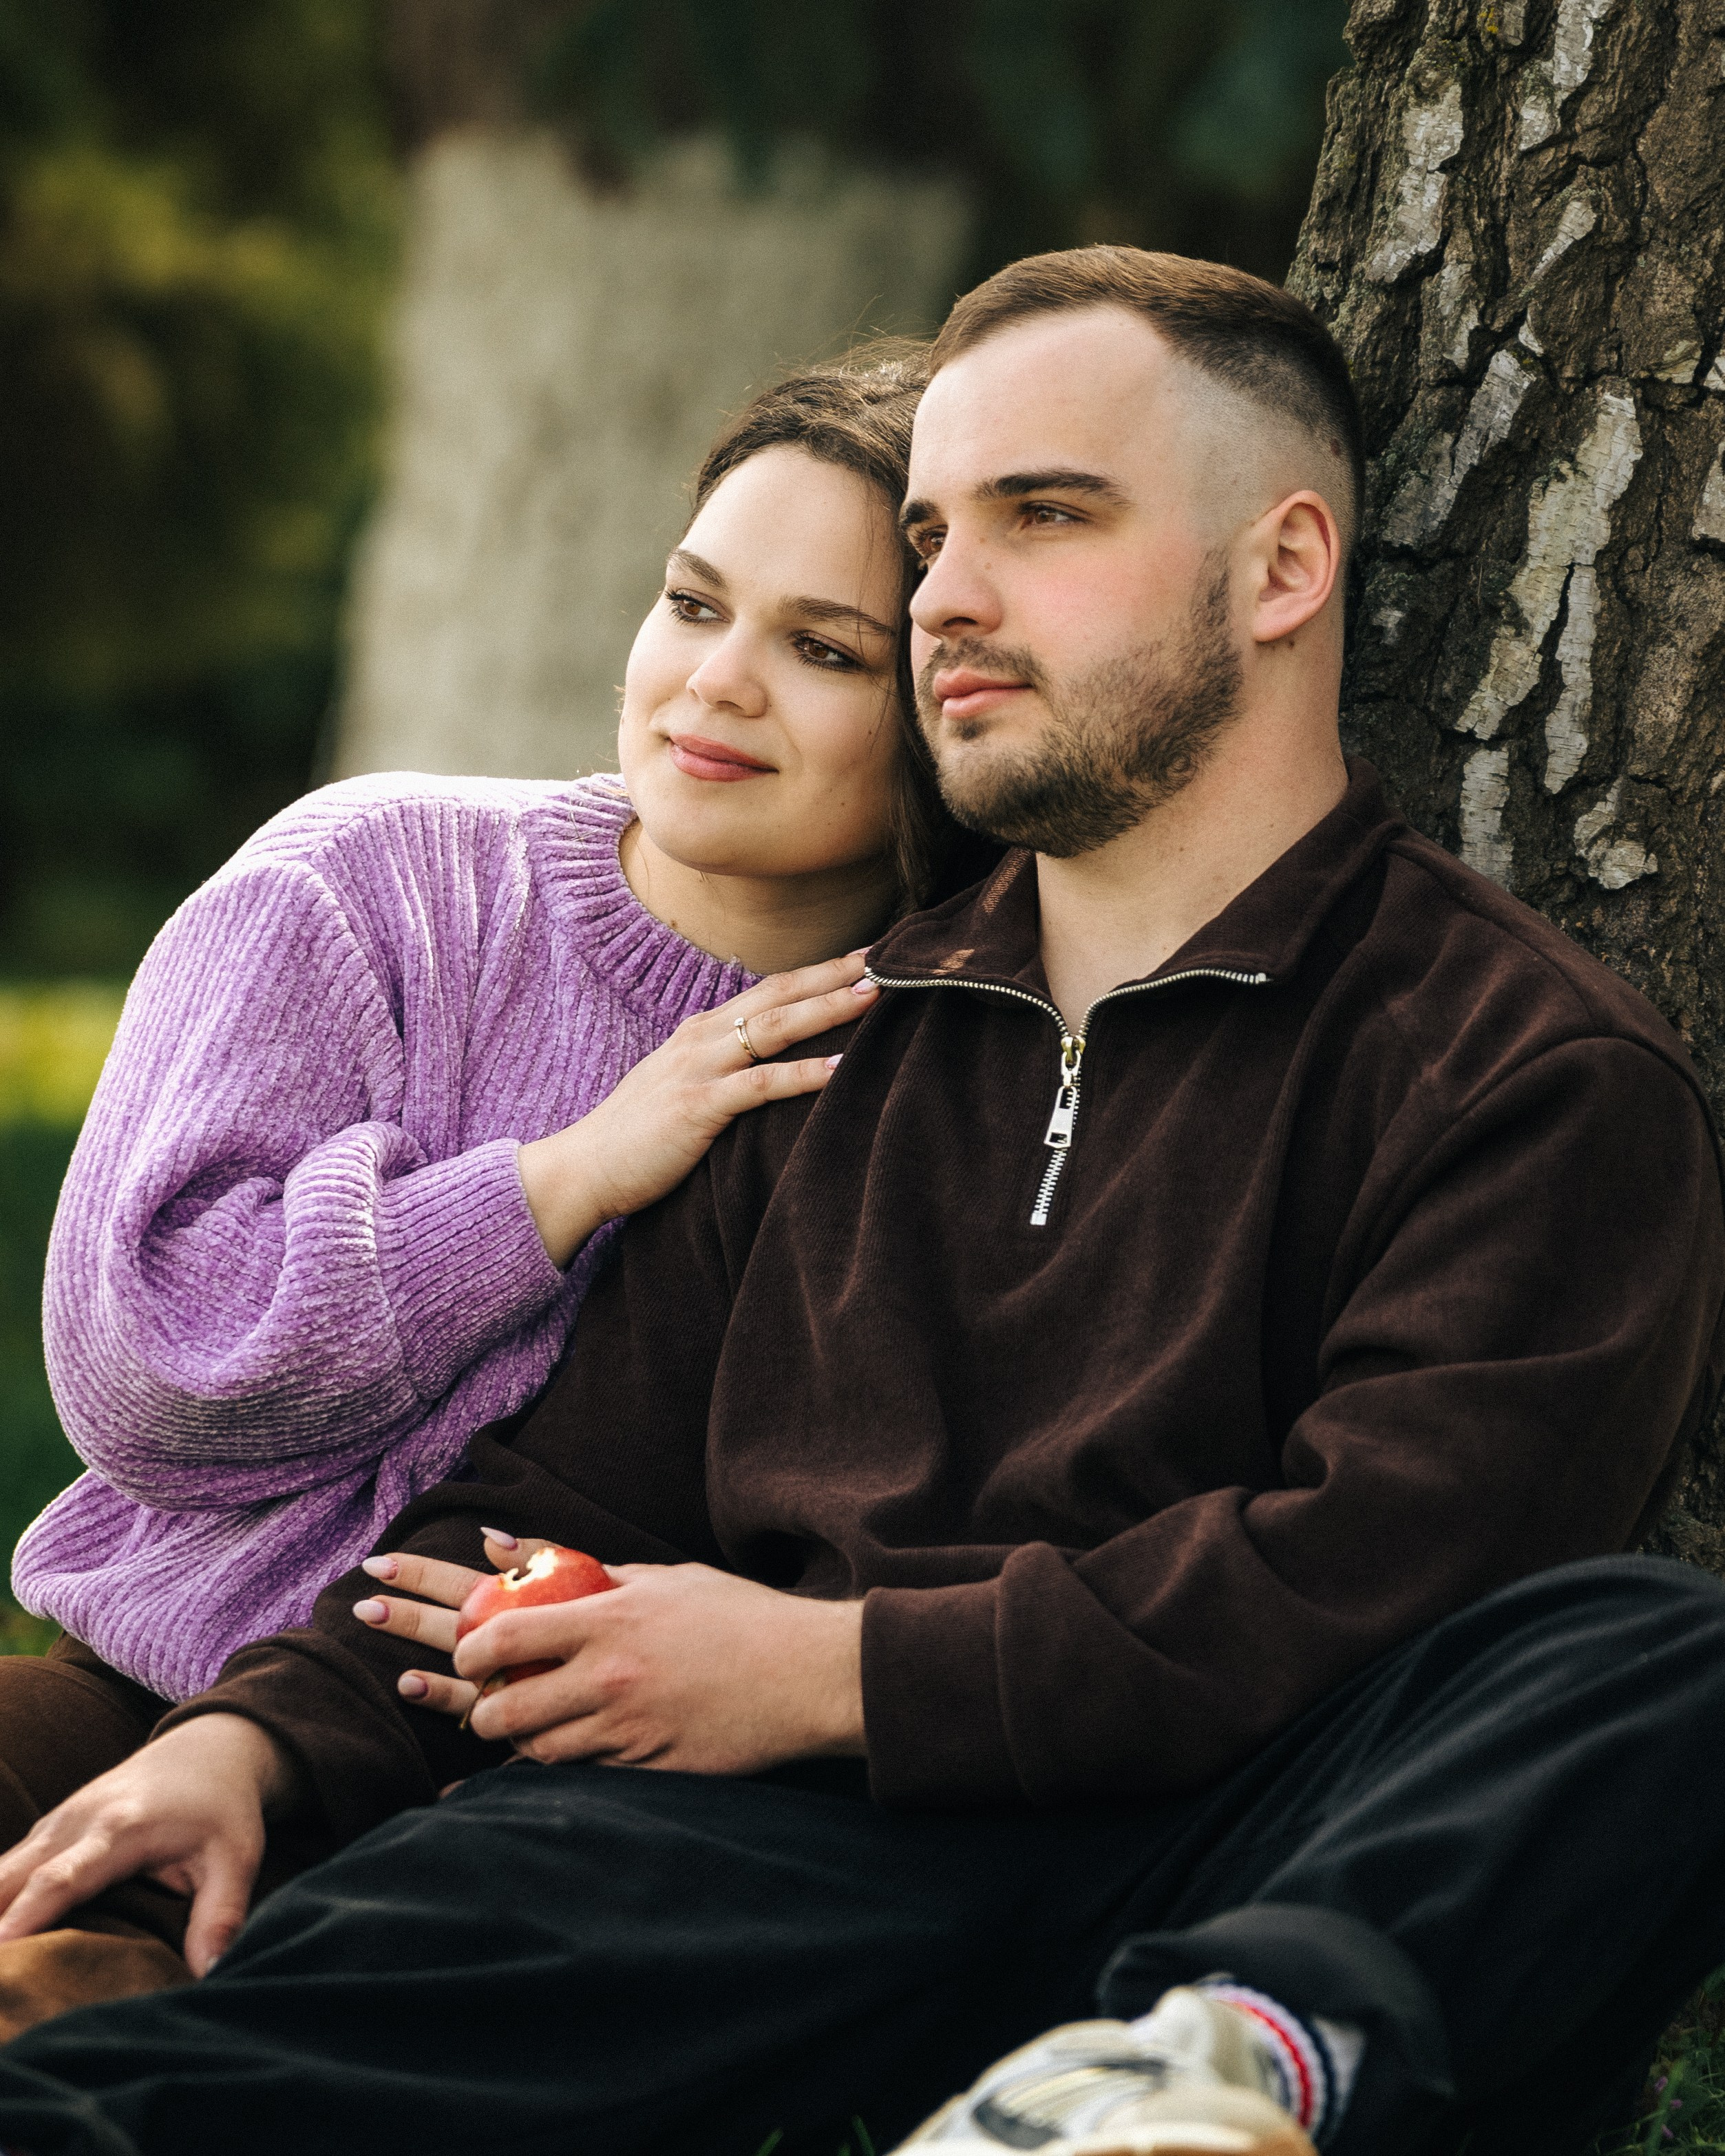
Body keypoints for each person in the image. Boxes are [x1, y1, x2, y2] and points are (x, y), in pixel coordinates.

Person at [0, 246, 1719, 2156]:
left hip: (1249, 1873)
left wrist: (835, 1668)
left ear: (1283, 569)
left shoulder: (1525, 1070)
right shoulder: (827, 1040)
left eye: (1043, 517)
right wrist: (269, 1736)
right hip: (749, 1858)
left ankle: (1177, 2095)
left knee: (1647, 1662)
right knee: (133, 2101)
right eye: (929, 541)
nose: (949, 600)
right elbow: (549, 1514)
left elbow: (1387, 1573)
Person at [0, 347, 986, 1991]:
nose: (716, 683)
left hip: (543, 1828)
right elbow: (144, 1369)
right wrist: (559, 1182)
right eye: (691, 604)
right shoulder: (367, 884)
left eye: (823, 649)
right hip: (145, 1703)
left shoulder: (952, 1065)